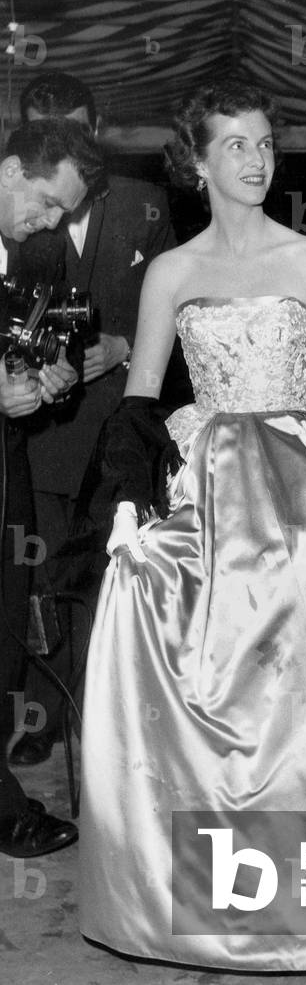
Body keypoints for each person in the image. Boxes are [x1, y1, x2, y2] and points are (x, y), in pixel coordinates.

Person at [78, 81, 306, 972]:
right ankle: (201, 895)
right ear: (197, 162)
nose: (257, 160)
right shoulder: (172, 271)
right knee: (180, 636)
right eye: (236, 145)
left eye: (266, 143)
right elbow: (143, 399)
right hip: (210, 479)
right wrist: (125, 502)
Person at [11, 71, 181, 768]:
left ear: (98, 124)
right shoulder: (15, 211)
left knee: (119, 576)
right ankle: (46, 711)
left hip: (123, 427)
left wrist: (123, 347)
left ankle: (112, 718)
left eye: (74, 130)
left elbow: (180, 316)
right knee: (43, 579)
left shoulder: (145, 204)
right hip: (40, 435)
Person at [0, 118, 105, 856]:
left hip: (8, 482)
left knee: (5, 649)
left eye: (63, 214)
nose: (49, 224)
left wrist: (45, 378)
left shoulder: (27, 258)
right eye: (42, 203)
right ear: (8, 168)